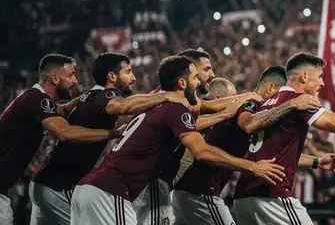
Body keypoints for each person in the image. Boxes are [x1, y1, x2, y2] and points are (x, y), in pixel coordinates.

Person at [70, 55, 286, 225]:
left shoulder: (160, 101)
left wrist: (241, 100)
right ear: (182, 83)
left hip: (89, 189)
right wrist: (252, 166)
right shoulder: (175, 108)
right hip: (111, 192)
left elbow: (210, 107)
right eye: (195, 78)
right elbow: (202, 152)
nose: (202, 83)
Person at [28, 52, 191, 225]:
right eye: (128, 72)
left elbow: (64, 110)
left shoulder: (88, 96)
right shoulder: (105, 96)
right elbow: (123, 106)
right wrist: (165, 96)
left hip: (44, 181)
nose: (133, 78)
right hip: (59, 186)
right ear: (112, 76)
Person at [0, 54, 123, 225]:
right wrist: (112, 133)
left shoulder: (36, 99)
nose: (75, 81)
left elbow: (63, 110)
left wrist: (89, 97)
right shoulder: (37, 100)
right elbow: (65, 132)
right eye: (71, 75)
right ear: (54, 78)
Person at [233, 52, 335, 225]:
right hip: (272, 197)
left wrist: (317, 162)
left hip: (243, 198)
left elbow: (275, 155)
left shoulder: (267, 104)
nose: (322, 82)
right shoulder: (298, 100)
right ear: (304, 76)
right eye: (320, 77)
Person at [172, 72, 325, 225]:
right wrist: (291, 104)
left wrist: (317, 162)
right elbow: (248, 125)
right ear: (271, 88)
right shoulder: (251, 104)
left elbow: (269, 158)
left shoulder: (251, 114)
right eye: (281, 94)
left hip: (188, 191)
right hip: (200, 191)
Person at [134, 48, 258, 225]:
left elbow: (208, 106)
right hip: (152, 177)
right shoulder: (172, 101)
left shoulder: (173, 97)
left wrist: (247, 96)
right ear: (189, 69)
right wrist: (227, 113)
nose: (213, 74)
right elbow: (189, 126)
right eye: (206, 69)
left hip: (159, 180)